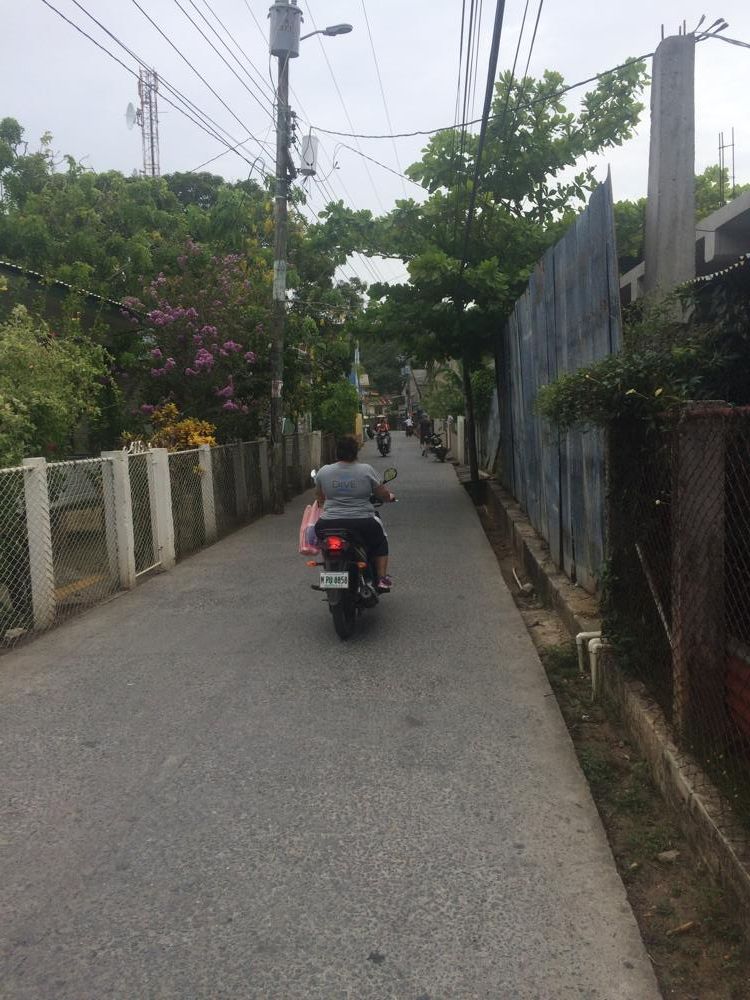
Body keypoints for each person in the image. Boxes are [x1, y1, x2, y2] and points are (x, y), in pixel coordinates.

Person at [314, 435, 396, 590]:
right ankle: (381, 578)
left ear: (337, 452)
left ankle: (330, 573)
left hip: (327, 523)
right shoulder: (366, 470)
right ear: (355, 452)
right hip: (362, 522)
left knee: (325, 544)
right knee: (380, 541)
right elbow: (382, 494)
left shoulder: (324, 471)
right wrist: (389, 497)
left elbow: (319, 497)